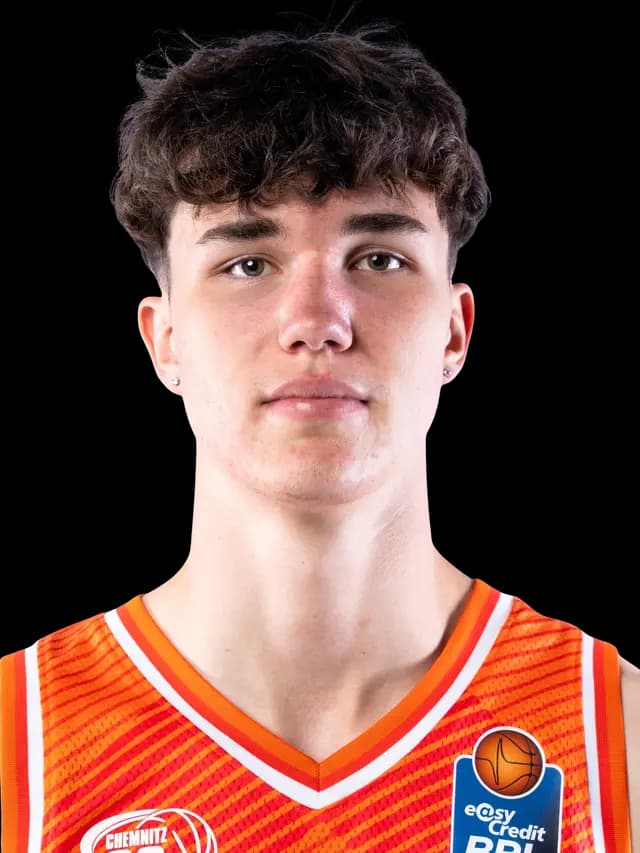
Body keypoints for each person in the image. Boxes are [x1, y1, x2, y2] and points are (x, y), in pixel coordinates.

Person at [1, 20, 637, 852]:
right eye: (247, 263)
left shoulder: (614, 735)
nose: (316, 321)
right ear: (165, 341)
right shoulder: (22, 742)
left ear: (454, 332)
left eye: (378, 259)